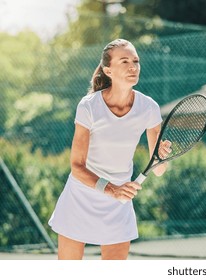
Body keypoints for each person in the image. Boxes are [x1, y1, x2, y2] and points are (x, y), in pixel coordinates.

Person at [48, 39, 171, 260]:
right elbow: (77, 166)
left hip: (118, 203)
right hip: (81, 197)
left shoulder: (149, 108)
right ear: (108, 70)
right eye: (124, 61)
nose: (133, 66)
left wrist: (161, 158)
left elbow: (159, 169)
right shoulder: (89, 106)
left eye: (135, 61)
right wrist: (111, 189)